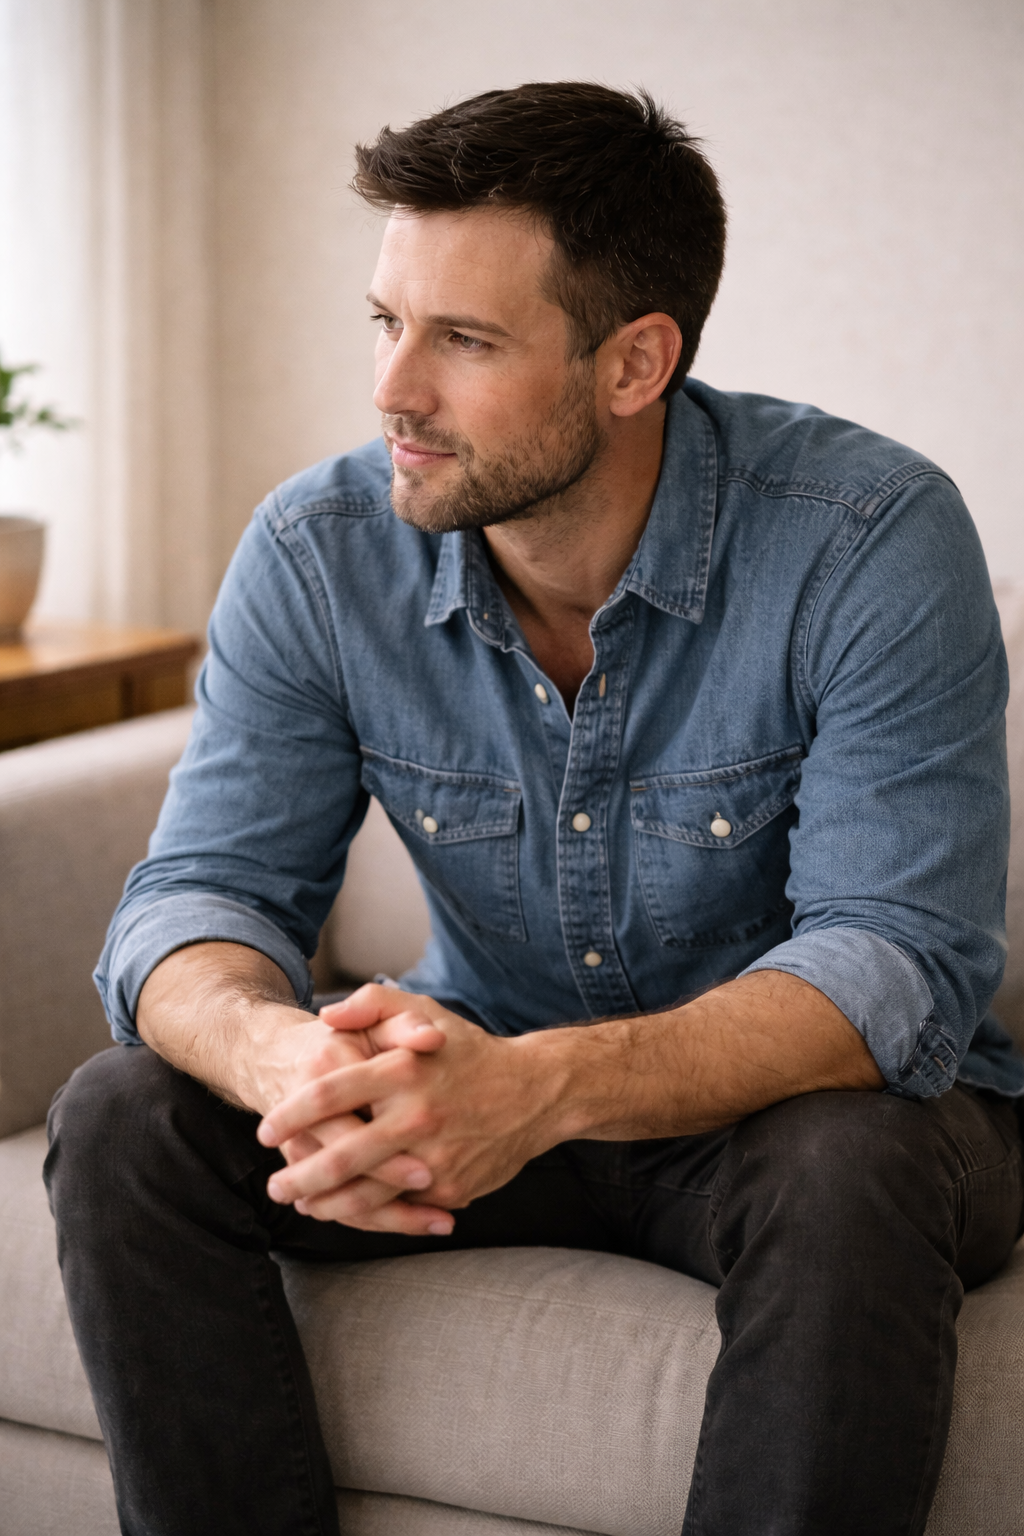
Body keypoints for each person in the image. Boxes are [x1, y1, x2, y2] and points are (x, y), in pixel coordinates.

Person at [45, 82, 1024, 1536]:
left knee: (849, 1157)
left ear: (635, 363)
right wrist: (278, 1057)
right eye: (387, 321)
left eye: (464, 339)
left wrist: (536, 1089)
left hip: (790, 1120)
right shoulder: (320, 551)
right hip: (485, 1084)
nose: (392, 388)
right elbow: (196, 897)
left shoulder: (869, 540)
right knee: (124, 1111)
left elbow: (890, 967)